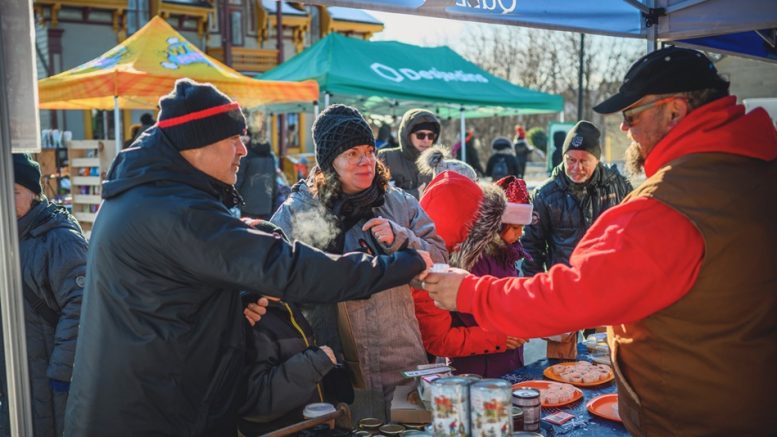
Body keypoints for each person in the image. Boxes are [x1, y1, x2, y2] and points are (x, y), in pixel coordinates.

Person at [421, 46, 777, 436]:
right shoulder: (754, 172)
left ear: (674, 110)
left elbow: (574, 294)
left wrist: (472, 293)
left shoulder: (672, 203)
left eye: (631, 115)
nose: (625, 129)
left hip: (695, 416)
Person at [64, 80, 432, 437]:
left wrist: (234, 298)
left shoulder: (154, 196)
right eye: (233, 139)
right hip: (150, 412)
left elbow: (170, 292)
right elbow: (288, 268)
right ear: (198, 145)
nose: (243, 149)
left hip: (155, 397)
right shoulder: (173, 209)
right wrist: (404, 263)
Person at [271, 104, 447, 422]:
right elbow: (274, 281)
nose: (366, 161)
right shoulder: (296, 213)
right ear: (329, 162)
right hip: (333, 365)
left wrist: (403, 238)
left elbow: (441, 260)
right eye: (352, 153)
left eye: (369, 150)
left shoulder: (399, 202)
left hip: (401, 360)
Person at [520, 120, 632, 359]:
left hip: (606, 289)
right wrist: (535, 294)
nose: (576, 167)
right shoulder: (546, 193)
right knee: (560, 363)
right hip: (563, 289)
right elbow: (531, 247)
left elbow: (633, 236)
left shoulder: (619, 186)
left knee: (606, 358)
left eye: (584, 161)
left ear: (597, 159)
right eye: (571, 160)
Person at [0, 155, 88, 437]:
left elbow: (81, 307)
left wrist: (61, 373)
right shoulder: (7, 237)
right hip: (16, 379)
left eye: (13, 192)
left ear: (34, 194)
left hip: (52, 379)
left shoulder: (60, 239)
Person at [413, 173, 533, 377]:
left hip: (505, 359)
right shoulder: (435, 265)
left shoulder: (506, 252)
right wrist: (500, 337)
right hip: (476, 370)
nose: (520, 233)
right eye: (514, 227)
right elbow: (439, 339)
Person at [238, 221, 350, 436]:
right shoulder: (251, 319)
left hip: (306, 427)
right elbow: (256, 403)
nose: (284, 273)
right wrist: (314, 363)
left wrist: (331, 378)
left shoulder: (286, 305)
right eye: (273, 265)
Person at [377, 108, 441, 199]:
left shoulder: (438, 163)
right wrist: (416, 194)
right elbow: (378, 193)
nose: (426, 140)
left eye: (430, 136)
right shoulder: (386, 157)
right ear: (408, 135)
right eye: (421, 135)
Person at [235, 137, 290, 220]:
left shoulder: (247, 157)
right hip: (266, 205)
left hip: (248, 205)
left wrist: (234, 196)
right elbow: (273, 180)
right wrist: (273, 200)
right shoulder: (270, 157)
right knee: (264, 231)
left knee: (249, 230)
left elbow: (239, 178)